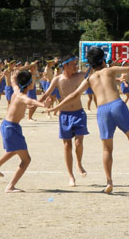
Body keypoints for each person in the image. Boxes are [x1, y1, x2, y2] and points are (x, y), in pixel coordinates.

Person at [48, 47, 129, 193]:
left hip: (102, 111)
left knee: (107, 149)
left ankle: (109, 182)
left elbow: (74, 95)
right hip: (117, 105)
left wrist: (55, 107)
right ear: (103, 60)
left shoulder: (89, 78)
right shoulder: (109, 70)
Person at [0, 70, 51, 193]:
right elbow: (30, 102)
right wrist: (44, 105)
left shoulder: (17, 91)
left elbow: (13, 83)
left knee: (15, 150)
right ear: (29, 84)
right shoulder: (23, 96)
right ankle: (10, 186)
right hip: (11, 127)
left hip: (10, 126)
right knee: (26, 159)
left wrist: (13, 77)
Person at [39, 55, 89, 187]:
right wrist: (35, 103)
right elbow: (46, 94)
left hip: (79, 113)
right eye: (73, 64)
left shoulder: (80, 76)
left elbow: (93, 72)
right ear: (65, 66)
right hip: (64, 115)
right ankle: (71, 176)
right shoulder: (57, 79)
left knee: (78, 142)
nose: (76, 66)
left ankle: (79, 163)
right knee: (67, 146)